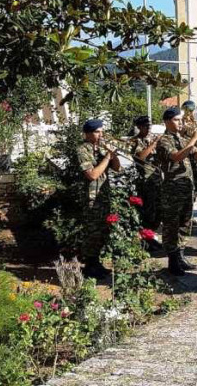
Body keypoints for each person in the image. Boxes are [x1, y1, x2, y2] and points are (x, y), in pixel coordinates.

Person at [156, 108, 197, 276]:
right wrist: (193, 140)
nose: (181, 123)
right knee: (171, 225)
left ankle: (181, 255)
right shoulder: (164, 140)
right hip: (172, 189)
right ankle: (172, 260)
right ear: (168, 121)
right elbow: (176, 157)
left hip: (186, 187)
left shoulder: (183, 138)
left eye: (181, 120)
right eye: (177, 120)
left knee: (185, 222)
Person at [77, 119, 121, 278]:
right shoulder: (83, 150)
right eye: (97, 132)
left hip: (103, 197)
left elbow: (117, 168)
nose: (101, 134)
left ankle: (96, 263)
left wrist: (113, 155)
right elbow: (92, 175)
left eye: (102, 131)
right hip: (91, 198)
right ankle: (90, 266)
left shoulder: (101, 149)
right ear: (88, 133)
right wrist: (107, 158)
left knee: (103, 232)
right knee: (92, 233)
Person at [129, 116, 163, 252]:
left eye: (149, 126)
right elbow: (140, 157)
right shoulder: (135, 141)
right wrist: (153, 144)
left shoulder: (150, 138)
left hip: (156, 180)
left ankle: (151, 236)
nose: (148, 129)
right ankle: (146, 240)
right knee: (147, 213)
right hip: (144, 183)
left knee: (158, 211)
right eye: (145, 126)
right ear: (139, 127)